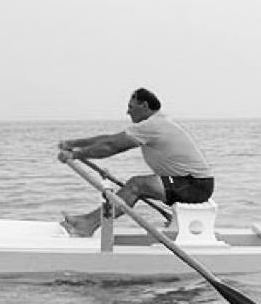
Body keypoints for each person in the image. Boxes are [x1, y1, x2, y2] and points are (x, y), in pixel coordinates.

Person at [57, 88, 214, 237]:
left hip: (196, 185)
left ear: (144, 105)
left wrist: (75, 155)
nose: (127, 111)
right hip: (189, 182)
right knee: (135, 186)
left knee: (137, 185)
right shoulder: (157, 122)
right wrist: (72, 144)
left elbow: (112, 146)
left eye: (131, 106)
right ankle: (87, 222)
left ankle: (87, 225)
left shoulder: (154, 125)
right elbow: (109, 139)